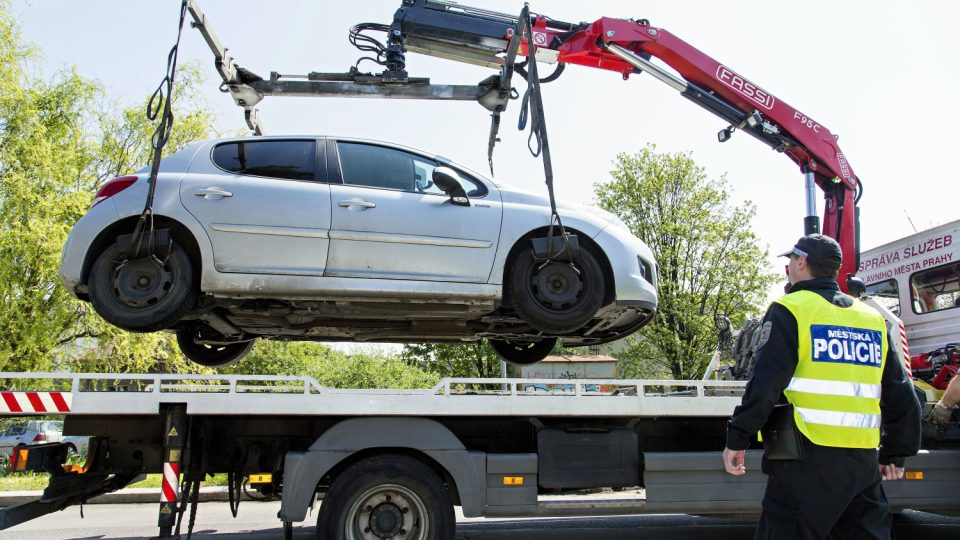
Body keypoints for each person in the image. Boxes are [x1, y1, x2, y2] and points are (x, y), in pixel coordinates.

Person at [722, 234, 922, 539]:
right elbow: (899, 390)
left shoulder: (792, 309)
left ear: (802, 262)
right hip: (863, 462)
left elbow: (767, 383)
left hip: (807, 459)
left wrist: (738, 437)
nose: (788, 266)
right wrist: (896, 452)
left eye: (791, 260)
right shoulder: (869, 318)